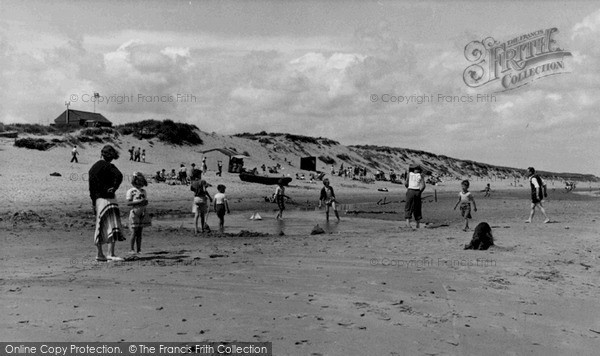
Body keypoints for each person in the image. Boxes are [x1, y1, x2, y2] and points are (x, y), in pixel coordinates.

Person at [88, 145, 125, 262]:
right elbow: (119, 176)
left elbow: (92, 187)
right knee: (111, 225)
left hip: (97, 199)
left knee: (100, 226)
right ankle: (110, 253)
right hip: (108, 199)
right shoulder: (109, 166)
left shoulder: (94, 167)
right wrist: (113, 188)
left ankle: (100, 254)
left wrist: (93, 202)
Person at [126, 172, 148, 254]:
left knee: (140, 233)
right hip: (134, 213)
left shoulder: (143, 191)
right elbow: (128, 203)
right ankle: (131, 249)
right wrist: (139, 202)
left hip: (142, 213)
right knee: (134, 232)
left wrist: (144, 203)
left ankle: (139, 249)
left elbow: (145, 202)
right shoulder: (131, 191)